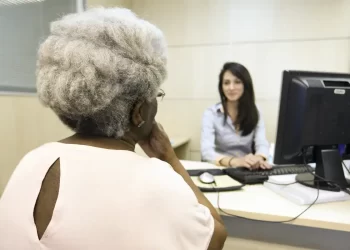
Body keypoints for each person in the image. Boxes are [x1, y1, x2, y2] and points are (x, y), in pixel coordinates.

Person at [0, 8, 227, 250]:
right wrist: (169, 157)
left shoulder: (32, 162)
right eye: (155, 95)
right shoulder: (159, 181)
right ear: (139, 111)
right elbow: (216, 236)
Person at [201, 62, 270, 169]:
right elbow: (206, 152)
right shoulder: (211, 113)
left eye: (237, 82)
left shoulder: (255, 111)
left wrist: (259, 158)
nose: (231, 87)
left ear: (245, 84)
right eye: (226, 83)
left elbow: (262, 143)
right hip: (221, 168)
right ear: (221, 87)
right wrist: (235, 161)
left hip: (247, 168)